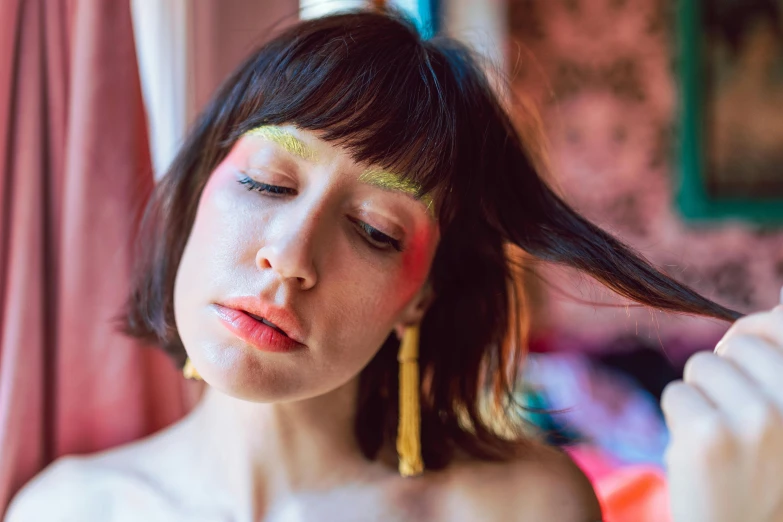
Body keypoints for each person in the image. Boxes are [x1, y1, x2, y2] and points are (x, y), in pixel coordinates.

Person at [6, 9, 783, 522]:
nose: (289, 256)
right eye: (267, 183)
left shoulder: (519, 506)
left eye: (375, 230)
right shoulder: (68, 510)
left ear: (420, 295)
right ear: (200, 190)